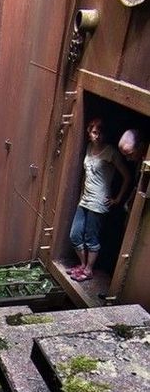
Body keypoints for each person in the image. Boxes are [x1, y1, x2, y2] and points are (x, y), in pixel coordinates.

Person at [67, 118, 130, 282]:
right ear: (89, 133)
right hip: (85, 200)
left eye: (101, 133)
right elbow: (86, 175)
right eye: (95, 132)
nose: (98, 136)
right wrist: (81, 194)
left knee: (90, 237)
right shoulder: (89, 148)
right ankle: (82, 265)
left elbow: (127, 177)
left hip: (98, 202)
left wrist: (117, 199)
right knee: (75, 234)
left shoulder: (111, 152)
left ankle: (88, 270)